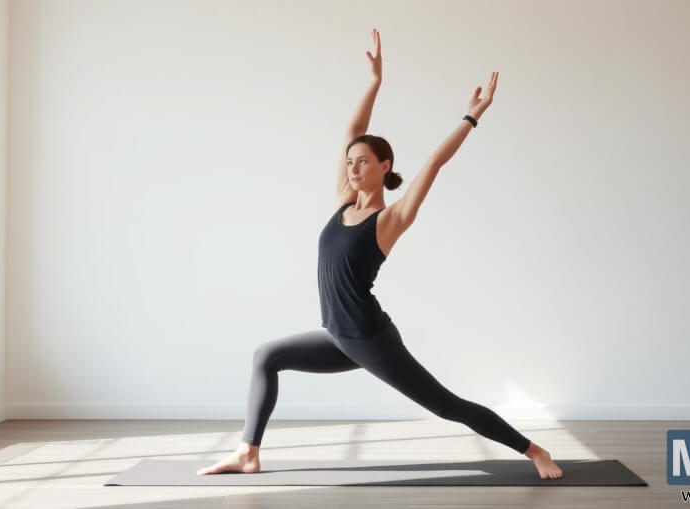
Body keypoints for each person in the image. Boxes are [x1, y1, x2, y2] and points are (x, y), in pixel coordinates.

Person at [198, 28, 562, 480]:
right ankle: (248, 453)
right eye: (350, 163)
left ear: (385, 166)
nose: (352, 169)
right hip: (337, 334)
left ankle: (535, 450)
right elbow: (353, 132)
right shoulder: (342, 203)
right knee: (266, 355)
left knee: (446, 405)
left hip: (370, 339)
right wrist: (374, 83)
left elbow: (432, 164)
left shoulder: (390, 221)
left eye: (363, 162)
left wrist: (471, 116)